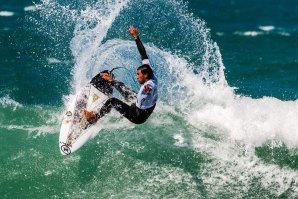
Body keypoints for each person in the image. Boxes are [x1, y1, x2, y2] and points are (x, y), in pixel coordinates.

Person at [84, 25, 158, 124]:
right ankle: (111, 81)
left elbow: (149, 89)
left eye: (138, 75)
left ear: (145, 75)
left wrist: (148, 91)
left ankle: (95, 118)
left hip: (138, 115)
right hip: (143, 106)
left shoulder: (149, 86)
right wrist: (136, 36)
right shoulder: (150, 72)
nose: (137, 77)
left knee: (112, 101)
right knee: (124, 89)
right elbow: (143, 53)